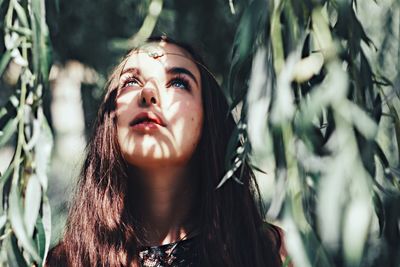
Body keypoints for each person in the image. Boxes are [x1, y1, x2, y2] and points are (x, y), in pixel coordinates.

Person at [46, 36, 283, 267]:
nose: (148, 93)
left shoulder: (270, 253)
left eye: (178, 82)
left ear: (208, 117)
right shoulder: (65, 261)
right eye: (130, 82)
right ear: (110, 119)